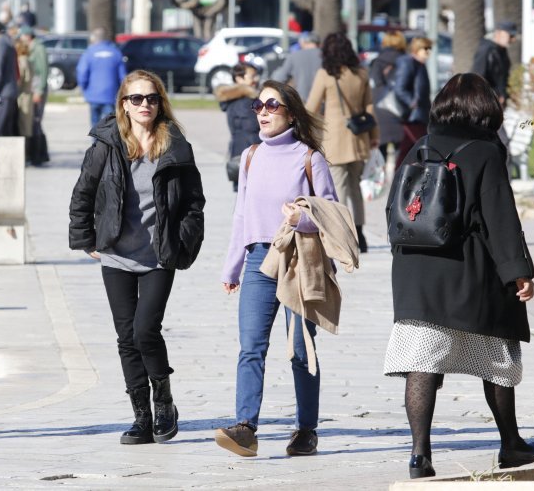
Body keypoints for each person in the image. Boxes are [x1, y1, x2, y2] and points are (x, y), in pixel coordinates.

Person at [383, 73, 534, 479]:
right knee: (496, 355)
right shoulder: (485, 152)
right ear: (485, 109)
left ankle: (420, 454)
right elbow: (499, 219)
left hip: (416, 271)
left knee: (421, 360)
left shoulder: (419, 146)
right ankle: (511, 444)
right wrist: (518, 272)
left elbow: (393, 210)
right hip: (468, 270)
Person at [68, 70, 205, 446]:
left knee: (146, 330)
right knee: (126, 337)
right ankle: (141, 417)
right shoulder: (105, 145)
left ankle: (164, 403)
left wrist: (184, 241)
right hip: (116, 254)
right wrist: (85, 240)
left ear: (160, 103)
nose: (144, 105)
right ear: (123, 105)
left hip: (160, 254)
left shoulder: (176, 145)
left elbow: (194, 203)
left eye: (151, 98)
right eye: (136, 99)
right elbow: (84, 193)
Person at [215, 79, 337, 458]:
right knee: (251, 346)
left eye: (272, 105)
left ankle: (306, 428)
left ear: (290, 113)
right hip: (258, 260)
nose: (263, 112)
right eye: (258, 105)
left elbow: (331, 215)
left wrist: (302, 218)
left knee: (301, 348)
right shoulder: (251, 156)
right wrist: (232, 266)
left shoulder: (309, 158)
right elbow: (241, 214)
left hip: (299, 260)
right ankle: (246, 428)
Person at [305, 32, 378, 253]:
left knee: (338, 187)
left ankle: (344, 233)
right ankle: (360, 233)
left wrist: (308, 134)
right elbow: (369, 107)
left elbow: (311, 107)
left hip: (335, 137)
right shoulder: (361, 74)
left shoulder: (326, 75)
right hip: (359, 137)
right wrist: (375, 136)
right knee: (356, 187)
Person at [215, 62, 260, 191]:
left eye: (256, 76)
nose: (256, 80)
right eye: (252, 76)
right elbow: (253, 128)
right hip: (248, 154)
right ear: (239, 79)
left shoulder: (235, 100)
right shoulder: (244, 102)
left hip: (240, 151)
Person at [392, 36, 432, 168]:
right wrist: (411, 102)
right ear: (416, 49)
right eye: (425, 49)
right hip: (412, 116)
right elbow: (399, 88)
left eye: (430, 49)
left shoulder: (420, 65)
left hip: (419, 115)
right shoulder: (408, 63)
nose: (428, 52)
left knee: (411, 149)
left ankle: (403, 178)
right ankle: (399, 179)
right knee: (415, 148)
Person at [76, 27, 127, 127]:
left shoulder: (89, 53)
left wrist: (84, 88)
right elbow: (123, 76)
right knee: (110, 124)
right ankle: (108, 142)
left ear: (94, 38)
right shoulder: (116, 52)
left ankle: (96, 141)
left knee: (95, 124)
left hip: (93, 95)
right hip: (111, 95)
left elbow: (82, 73)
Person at [369, 30, 407, 160]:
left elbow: (376, 82)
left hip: (380, 107)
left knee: (381, 152)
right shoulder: (407, 61)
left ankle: (383, 178)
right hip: (400, 109)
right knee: (401, 153)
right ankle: (398, 178)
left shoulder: (377, 62)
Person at [17, 25, 50, 165]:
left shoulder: (38, 48)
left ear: (28, 36)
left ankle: (39, 154)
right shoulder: (31, 48)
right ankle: (34, 154)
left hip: (37, 88)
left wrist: (39, 91)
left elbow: (43, 71)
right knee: (33, 123)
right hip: (33, 87)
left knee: (36, 122)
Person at [471, 21, 517, 106]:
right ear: (498, 33)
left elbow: (502, 78)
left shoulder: (502, 51)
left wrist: (504, 94)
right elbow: (477, 78)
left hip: (497, 103)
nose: (513, 39)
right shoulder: (486, 50)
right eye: (510, 35)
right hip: (486, 103)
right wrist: (492, 97)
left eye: (513, 36)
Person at [271, 32, 322, 101]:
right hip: (323, 101)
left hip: (302, 101)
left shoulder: (294, 55)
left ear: (303, 42)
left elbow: (279, 78)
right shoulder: (326, 55)